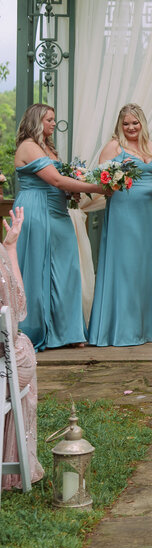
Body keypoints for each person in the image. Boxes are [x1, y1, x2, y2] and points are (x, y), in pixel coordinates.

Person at [13, 104, 107, 351]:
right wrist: (97, 188)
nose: (54, 124)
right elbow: (54, 179)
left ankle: (68, 330)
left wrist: (71, 191)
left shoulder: (47, 147)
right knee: (38, 268)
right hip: (37, 209)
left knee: (67, 270)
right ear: (36, 121)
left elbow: (59, 182)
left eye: (55, 119)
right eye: (49, 119)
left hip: (57, 210)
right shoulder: (29, 146)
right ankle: (36, 329)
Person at [88, 104, 152, 347]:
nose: (131, 127)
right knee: (124, 266)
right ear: (120, 125)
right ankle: (122, 330)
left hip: (146, 214)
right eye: (126, 124)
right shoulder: (114, 146)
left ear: (142, 123)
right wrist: (111, 185)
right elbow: (99, 178)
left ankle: (146, 328)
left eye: (135, 123)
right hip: (123, 212)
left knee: (144, 267)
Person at [0, 207, 45, 490]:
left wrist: (9, 248)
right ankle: (14, 469)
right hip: (5, 369)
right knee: (20, 347)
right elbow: (18, 311)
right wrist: (9, 249)